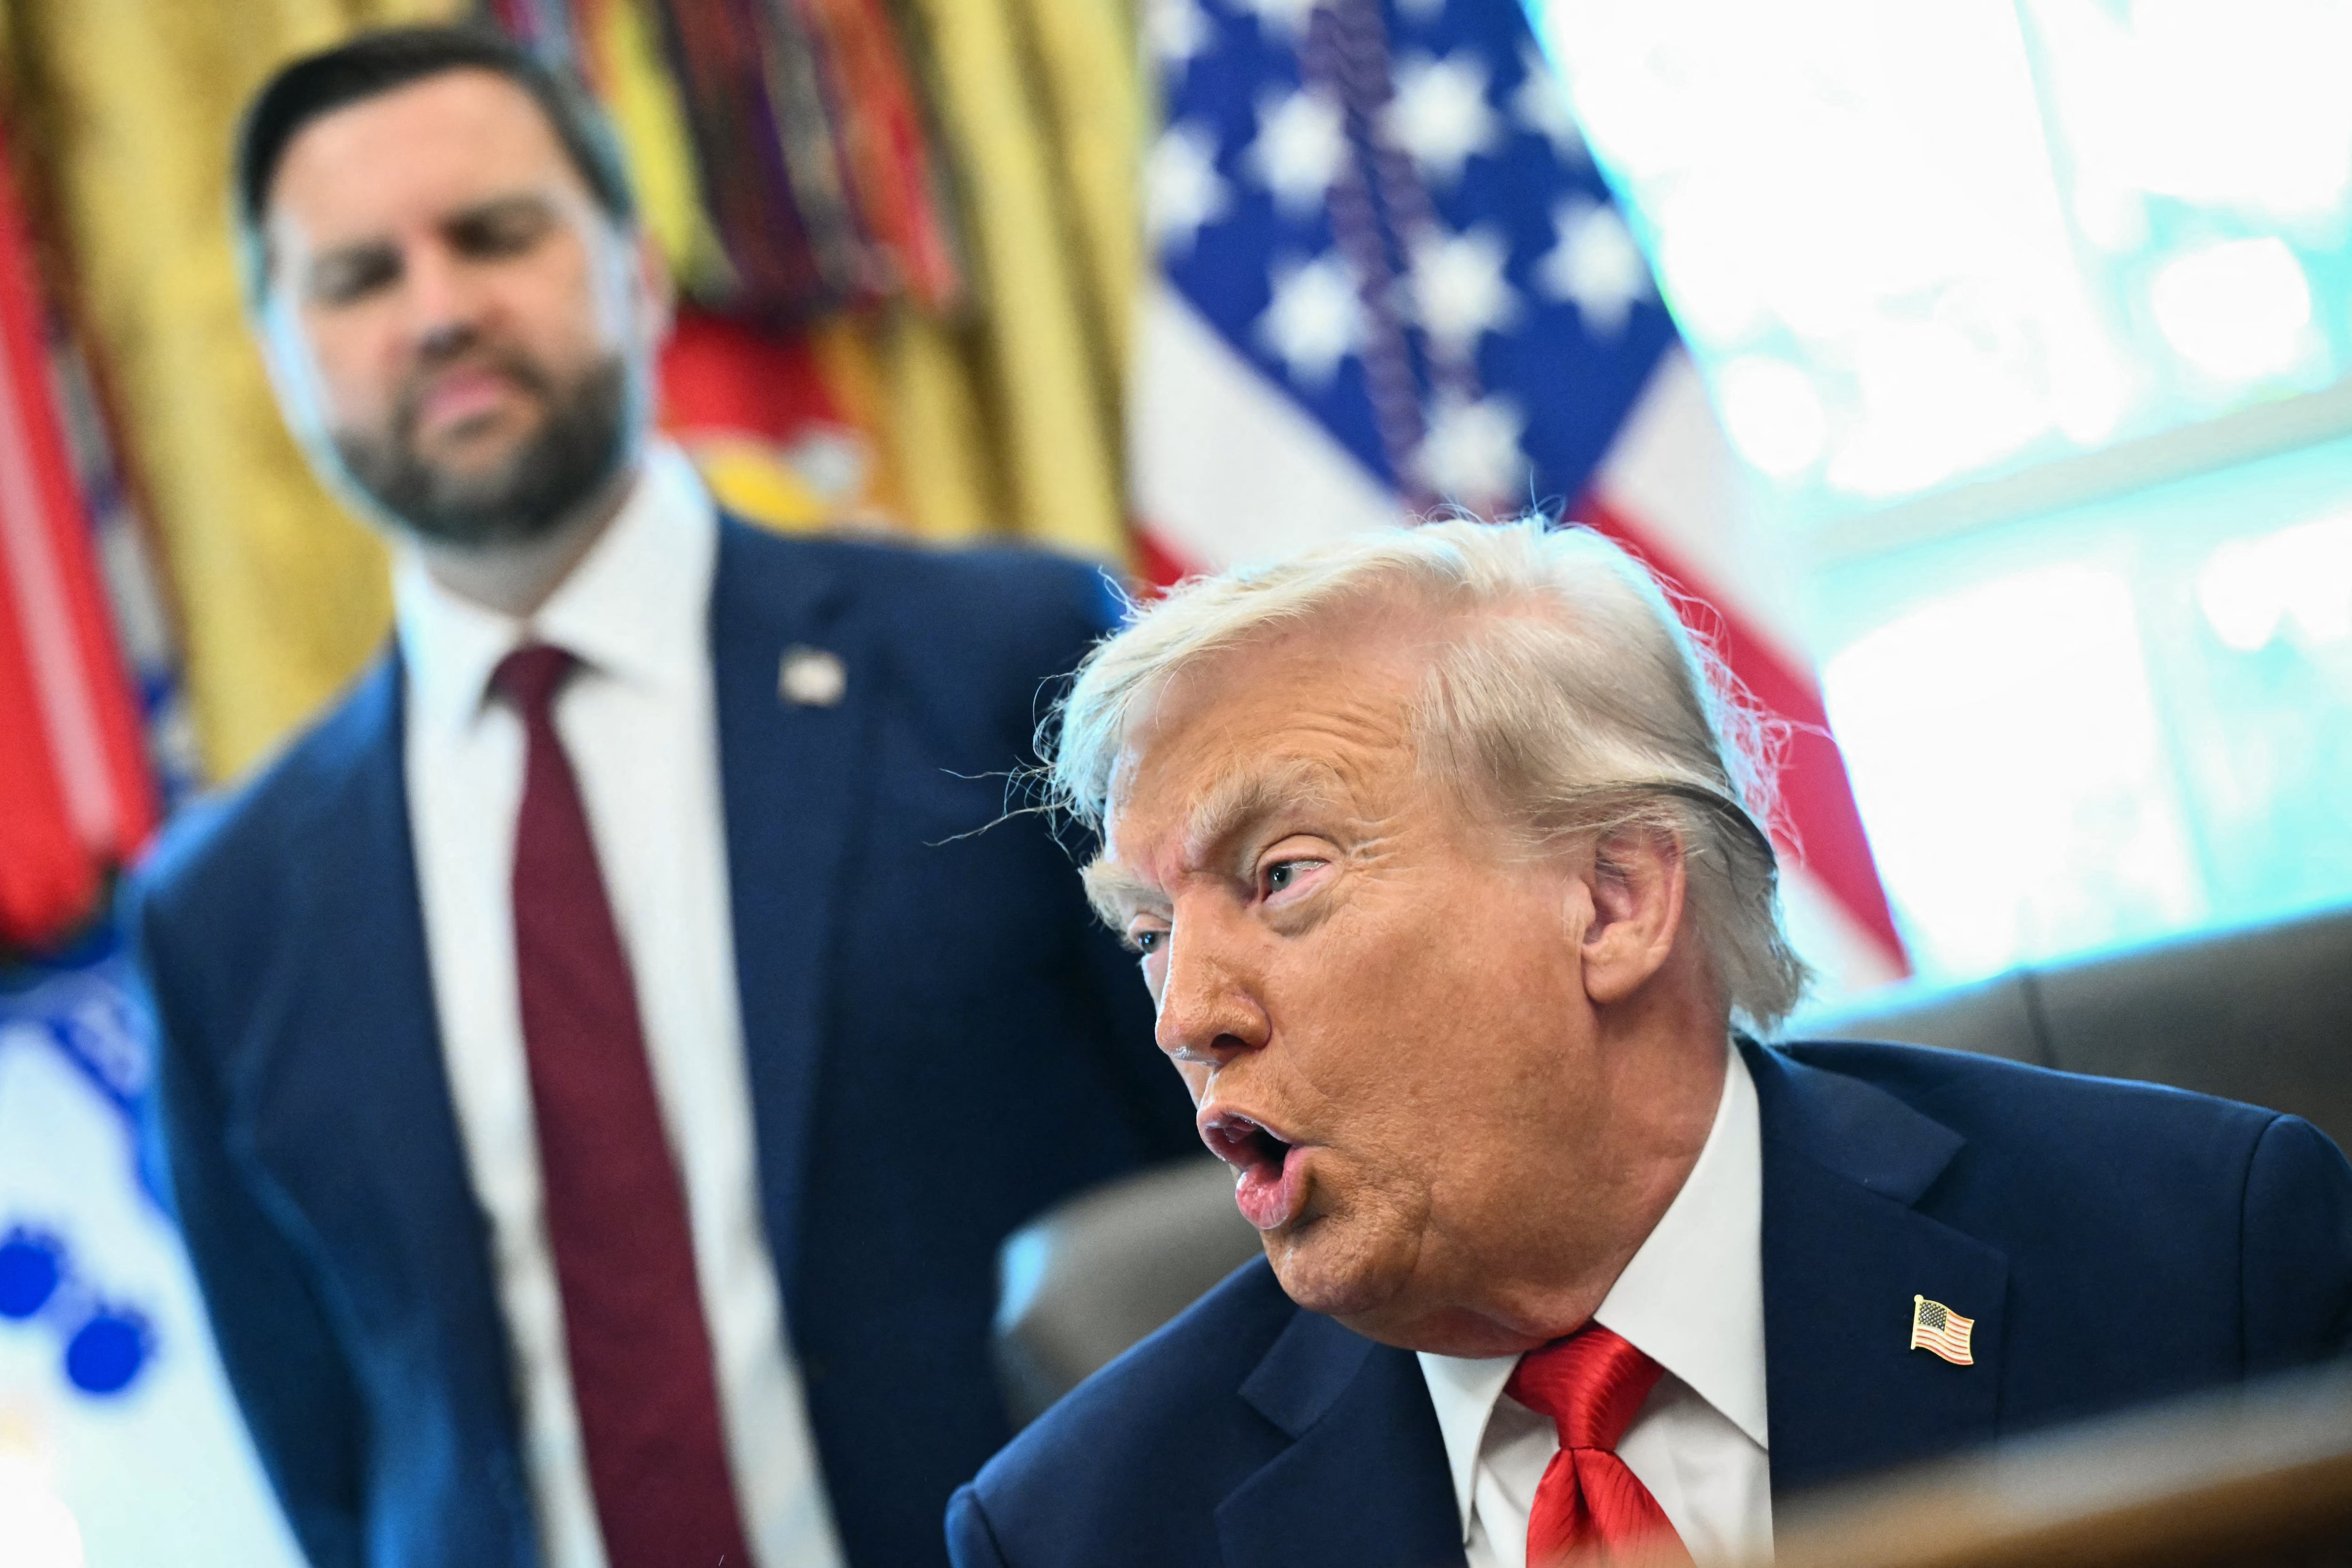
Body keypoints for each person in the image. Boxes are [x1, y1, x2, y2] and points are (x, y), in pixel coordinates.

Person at [127, 24, 1197, 1568]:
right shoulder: (222, 908)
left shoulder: (1002, 664)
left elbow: (1242, 1194)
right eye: (357, 279)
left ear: (636, 271)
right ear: (281, 356)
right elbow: (338, 1467)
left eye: (494, 236)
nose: (437, 312)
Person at [946, 518, 2352, 1568]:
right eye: (1146, 932)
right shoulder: (1079, 1531)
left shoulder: (2195, 1258)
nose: (1186, 1016)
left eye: (1281, 879)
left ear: (1614, 900)